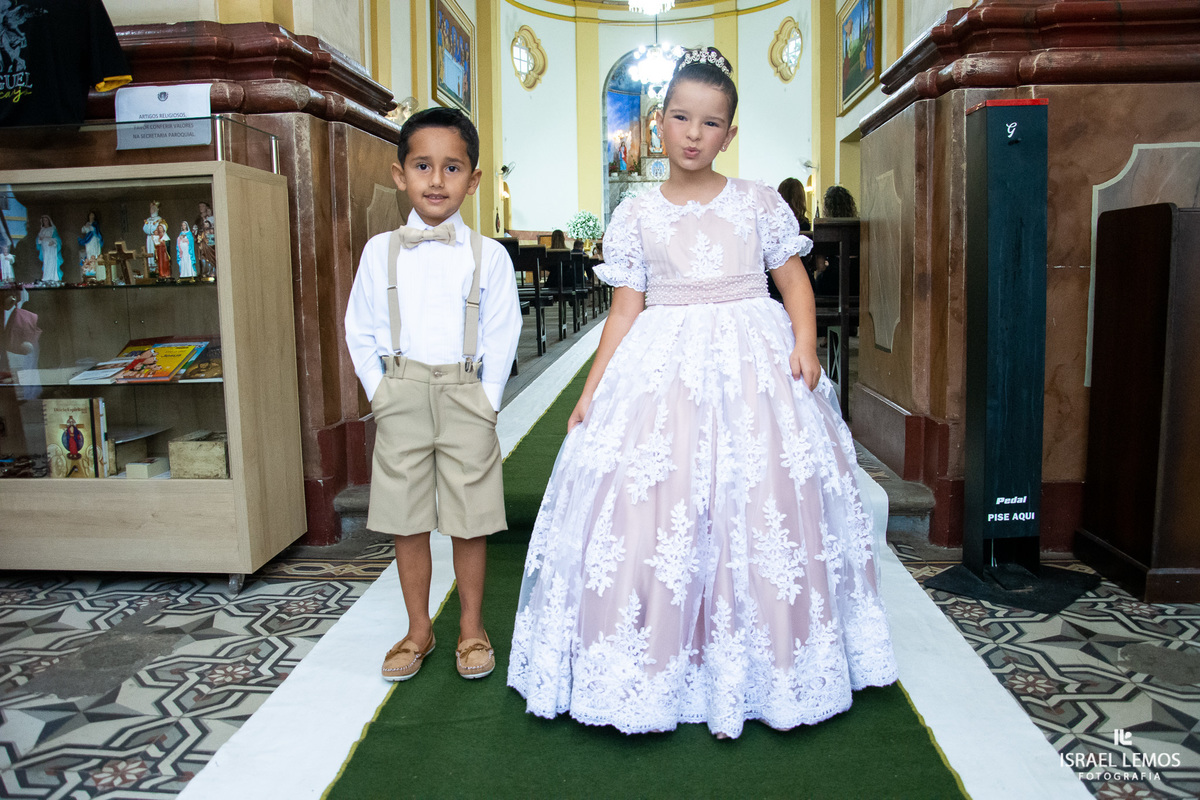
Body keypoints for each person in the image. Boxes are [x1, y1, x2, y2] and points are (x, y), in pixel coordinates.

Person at [508, 47, 897, 739]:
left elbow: (793, 280)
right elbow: (627, 309)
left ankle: (774, 660)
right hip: (665, 364)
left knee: (764, 496)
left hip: (756, 359)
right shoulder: (636, 214)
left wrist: (804, 344)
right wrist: (592, 389)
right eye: (681, 117)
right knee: (659, 498)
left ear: (729, 134)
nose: (693, 133)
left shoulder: (759, 203)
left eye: (710, 122)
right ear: (659, 123)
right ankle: (652, 661)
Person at [345, 106, 522, 684]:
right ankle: (418, 627)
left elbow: (502, 329)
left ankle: (472, 626)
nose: (437, 180)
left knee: (470, 518)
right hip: (400, 391)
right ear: (401, 174)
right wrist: (380, 393)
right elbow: (360, 327)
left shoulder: (489, 256)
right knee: (406, 516)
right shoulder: (379, 252)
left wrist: (488, 399)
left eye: (452, 168)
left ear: (473, 180)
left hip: (467, 392)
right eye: (423, 165)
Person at [36, 214, 61, 283]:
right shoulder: (42, 229)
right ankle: (46, 277)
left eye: (46, 220)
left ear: (49, 221)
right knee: (46, 262)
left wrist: (53, 242)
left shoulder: (52, 229)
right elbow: (39, 240)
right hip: (45, 248)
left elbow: (57, 239)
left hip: (51, 247)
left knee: (52, 261)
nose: (45, 221)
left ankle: (53, 277)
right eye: (44, 220)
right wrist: (40, 239)